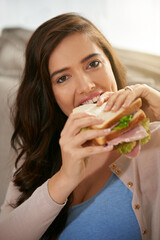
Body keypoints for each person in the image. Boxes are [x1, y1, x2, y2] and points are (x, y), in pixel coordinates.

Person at [0, 12, 160, 240]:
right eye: (62, 78)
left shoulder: (153, 140)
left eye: (93, 64)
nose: (86, 85)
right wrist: (64, 178)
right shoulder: (36, 156)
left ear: (111, 64)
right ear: (49, 94)